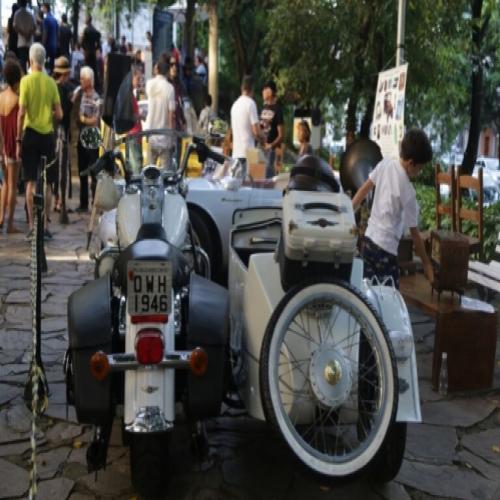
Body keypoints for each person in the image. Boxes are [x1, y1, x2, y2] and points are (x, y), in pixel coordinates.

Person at [352, 128, 434, 288]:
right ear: (411, 164)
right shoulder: (408, 191)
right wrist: (427, 264)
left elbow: (363, 190)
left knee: (366, 292)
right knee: (389, 298)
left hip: (368, 241)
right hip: (386, 251)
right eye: (420, 168)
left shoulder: (385, 164)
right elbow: (415, 235)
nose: (420, 172)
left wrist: (348, 211)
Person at [16, 43, 63, 239]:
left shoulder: (25, 81)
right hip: (47, 137)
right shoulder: (51, 83)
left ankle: (31, 227)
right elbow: (59, 114)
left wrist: (18, 139)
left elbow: (21, 114)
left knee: (30, 181)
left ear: (30, 60)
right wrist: (49, 113)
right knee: (49, 183)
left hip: (30, 135)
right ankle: (44, 227)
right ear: (44, 61)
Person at [72, 66, 101, 212]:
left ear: (90, 80)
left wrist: (83, 118)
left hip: (92, 137)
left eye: (83, 78)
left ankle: (95, 203)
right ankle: (83, 203)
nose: (81, 81)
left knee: (93, 172)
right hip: (81, 136)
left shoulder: (96, 97)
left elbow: (95, 120)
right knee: (82, 170)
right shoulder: (80, 94)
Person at [0, 59, 23, 234]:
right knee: (13, 184)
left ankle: (1, 217)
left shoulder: (1, 97)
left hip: (2, 142)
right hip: (13, 142)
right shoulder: (18, 98)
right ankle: (10, 224)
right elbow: (20, 123)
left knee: (4, 184)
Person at [52, 56, 74, 213]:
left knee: (60, 166)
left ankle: (58, 198)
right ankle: (58, 199)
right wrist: (72, 101)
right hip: (59, 131)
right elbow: (62, 111)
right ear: (64, 74)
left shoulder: (63, 87)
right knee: (60, 166)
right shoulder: (58, 88)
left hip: (59, 131)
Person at [144, 60, 175, 168]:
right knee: (166, 176)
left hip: (151, 135)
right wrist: (172, 139)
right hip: (164, 138)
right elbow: (171, 117)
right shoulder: (170, 89)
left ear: (157, 70)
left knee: (149, 174)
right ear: (167, 72)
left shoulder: (149, 84)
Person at [230, 75, 259, 170]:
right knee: (252, 183)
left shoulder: (234, 106)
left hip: (235, 154)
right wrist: (264, 139)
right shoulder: (251, 103)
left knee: (238, 183)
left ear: (242, 88)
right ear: (252, 88)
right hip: (250, 153)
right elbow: (256, 132)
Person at [259, 80, 284, 178]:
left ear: (270, 91)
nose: (263, 92)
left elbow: (281, 135)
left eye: (264, 89)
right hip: (260, 149)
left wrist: (271, 145)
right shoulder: (264, 107)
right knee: (257, 179)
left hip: (270, 152)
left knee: (267, 179)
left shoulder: (278, 109)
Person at [13, 0, 35, 72]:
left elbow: (15, 26)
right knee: (30, 63)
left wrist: (23, 34)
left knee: (22, 63)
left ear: (19, 3)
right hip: (30, 42)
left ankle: (23, 80)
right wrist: (28, 34)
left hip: (21, 42)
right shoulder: (31, 14)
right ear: (26, 3)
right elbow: (34, 27)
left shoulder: (17, 14)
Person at [81, 15, 101, 92]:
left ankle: (87, 87)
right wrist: (95, 49)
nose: (85, 20)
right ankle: (96, 87)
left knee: (87, 69)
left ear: (88, 20)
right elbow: (98, 44)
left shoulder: (86, 30)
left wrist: (85, 49)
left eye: (85, 19)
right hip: (93, 53)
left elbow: (82, 43)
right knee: (94, 70)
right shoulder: (95, 31)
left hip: (88, 53)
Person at [166, 56, 186, 132]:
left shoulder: (178, 84)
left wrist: (183, 120)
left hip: (177, 125)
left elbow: (180, 103)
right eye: (171, 64)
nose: (174, 67)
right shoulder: (165, 84)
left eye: (176, 65)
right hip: (166, 127)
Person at [41, 3, 58, 72]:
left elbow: (45, 33)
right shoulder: (54, 20)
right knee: (52, 66)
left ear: (46, 8)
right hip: (54, 45)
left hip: (47, 46)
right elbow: (57, 33)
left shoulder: (46, 20)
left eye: (43, 7)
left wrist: (42, 44)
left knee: (43, 64)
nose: (42, 9)